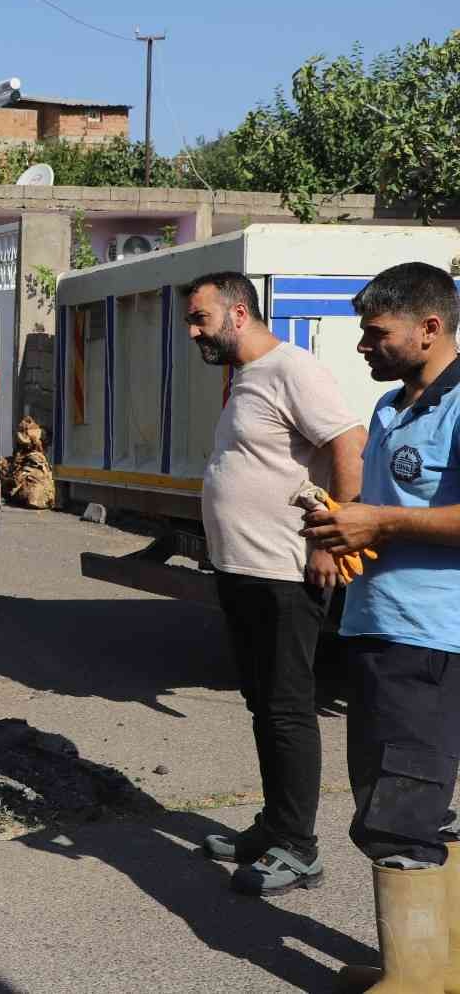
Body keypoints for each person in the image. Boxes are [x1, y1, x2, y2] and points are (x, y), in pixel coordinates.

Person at [302, 262, 460, 990]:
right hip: (379, 628)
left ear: (430, 328)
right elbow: (385, 514)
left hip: (431, 640)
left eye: (375, 334)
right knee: (391, 797)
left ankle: (422, 981)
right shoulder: (394, 405)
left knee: (403, 808)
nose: (363, 347)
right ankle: (422, 966)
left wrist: (382, 519)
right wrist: (340, 527)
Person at [181, 271, 365, 896]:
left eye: (200, 317)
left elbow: (348, 444)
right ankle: (274, 826)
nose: (192, 330)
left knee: (287, 709)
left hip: (288, 571)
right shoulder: (246, 378)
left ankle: (299, 848)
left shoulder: (294, 370)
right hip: (243, 568)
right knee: (263, 704)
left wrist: (330, 538)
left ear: (238, 312)